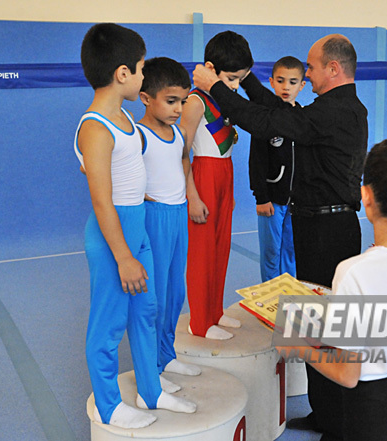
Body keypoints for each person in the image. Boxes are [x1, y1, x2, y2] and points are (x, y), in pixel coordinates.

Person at [193, 33, 368, 440]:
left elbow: (269, 121)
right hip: (314, 224)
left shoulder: (337, 111)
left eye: (310, 67)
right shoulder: (330, 108)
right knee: (312, 321)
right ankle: (323, 412)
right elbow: (278, 109)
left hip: (330, 231)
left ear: (333, 69)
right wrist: (248, 77)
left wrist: (214, 87)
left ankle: (338, 421)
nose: (304, 74)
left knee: (327, 328)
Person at [278, 136, 387, 441]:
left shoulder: (353, 271)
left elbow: (347, 375)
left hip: (373, 414)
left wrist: (296, 346)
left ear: (366, 196)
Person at [74, 24, 194, 430]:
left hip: (138, 226)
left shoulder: (124, 118)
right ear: (123, 74)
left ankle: (151, 389)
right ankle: (108, 405)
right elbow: (101, 201)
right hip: (113, 236)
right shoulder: (95, 126)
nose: (144, 76)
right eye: (141, 69)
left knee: (147, 310)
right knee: (108, 324)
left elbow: (127, 171)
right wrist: (123, 256)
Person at [179, 30, 253, 340]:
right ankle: (200, 322)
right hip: (204, 175)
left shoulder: (225, 100)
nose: (235, 86)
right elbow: (180, 151)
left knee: (221, 249)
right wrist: (192, 196)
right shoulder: (196, 101)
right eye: (231, 78)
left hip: (225, 175)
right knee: (202, 253)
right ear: (210, 69)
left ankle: (215, 312)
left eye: (239, 80)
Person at [137, 57, 202, 384]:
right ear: (146, 98)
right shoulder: (137, 135)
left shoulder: (177, 135)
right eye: (171, 101)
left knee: (176, 293)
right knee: (155, 299)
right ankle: (150, 368)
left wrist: (189, 197)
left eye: (183, 101)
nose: (178, 109)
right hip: (154, 218)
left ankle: (167, 354)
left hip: (177, 216)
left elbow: (183, 164)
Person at [248, 56, 305, 282]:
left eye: (292, 82)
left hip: (297, 203)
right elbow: (257, 160)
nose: (286, 87)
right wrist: (261, 197)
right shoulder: (265, 118)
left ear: (302, 85)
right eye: (281, 81)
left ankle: (288, 302)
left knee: (291, 252)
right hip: (271, 201)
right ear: (271, 82)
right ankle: (269, 307)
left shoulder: (304, 118)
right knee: (271, 254)